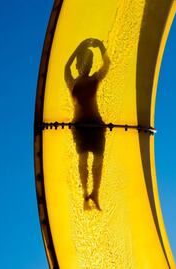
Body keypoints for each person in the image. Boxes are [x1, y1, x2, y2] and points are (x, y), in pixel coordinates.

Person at [64, 38, 110, 210]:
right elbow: (66, 67)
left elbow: (107, 64)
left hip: (96, 125)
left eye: (89, 63)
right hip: (80, 126)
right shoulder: (72, 82)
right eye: (85, 62)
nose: (88, 65)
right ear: (79, 64)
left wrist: (101, 46)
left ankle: (95, 192)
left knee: (98, 159)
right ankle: (85, 193)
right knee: (83, 159)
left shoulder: (94, 79)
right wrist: (79, 47)